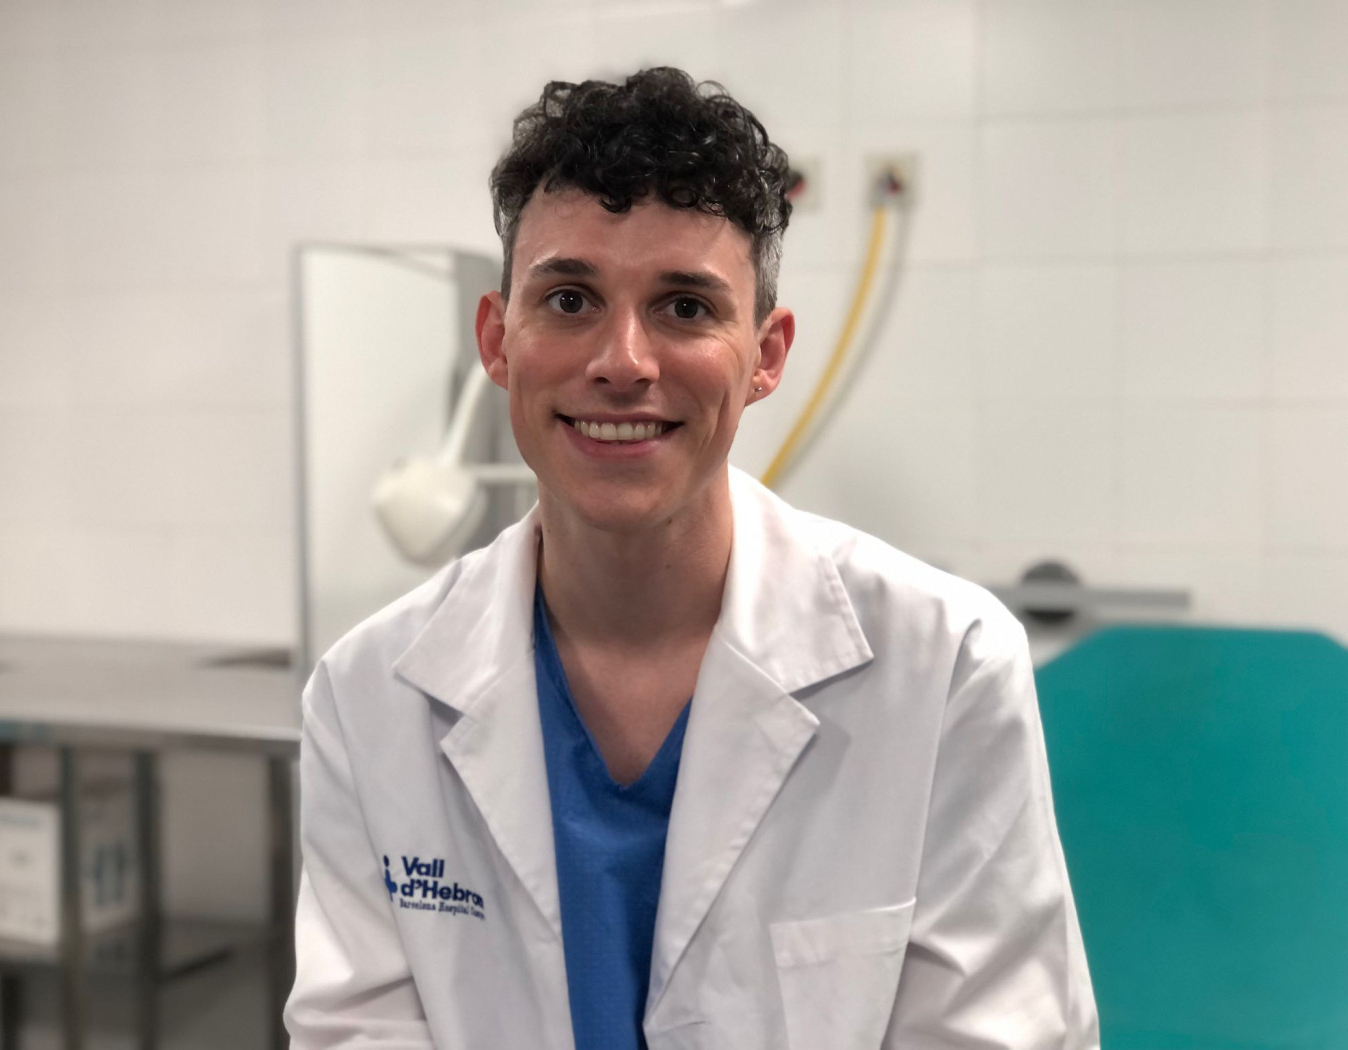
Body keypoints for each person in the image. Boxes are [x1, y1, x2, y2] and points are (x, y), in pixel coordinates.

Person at [285, 67, 1099, 1050]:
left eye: (683, 308)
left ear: (765, 355)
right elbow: (355, 1031)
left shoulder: (946, 666)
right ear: (498, 342)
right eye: (570, 299)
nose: (622, 362)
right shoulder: (369, 697)